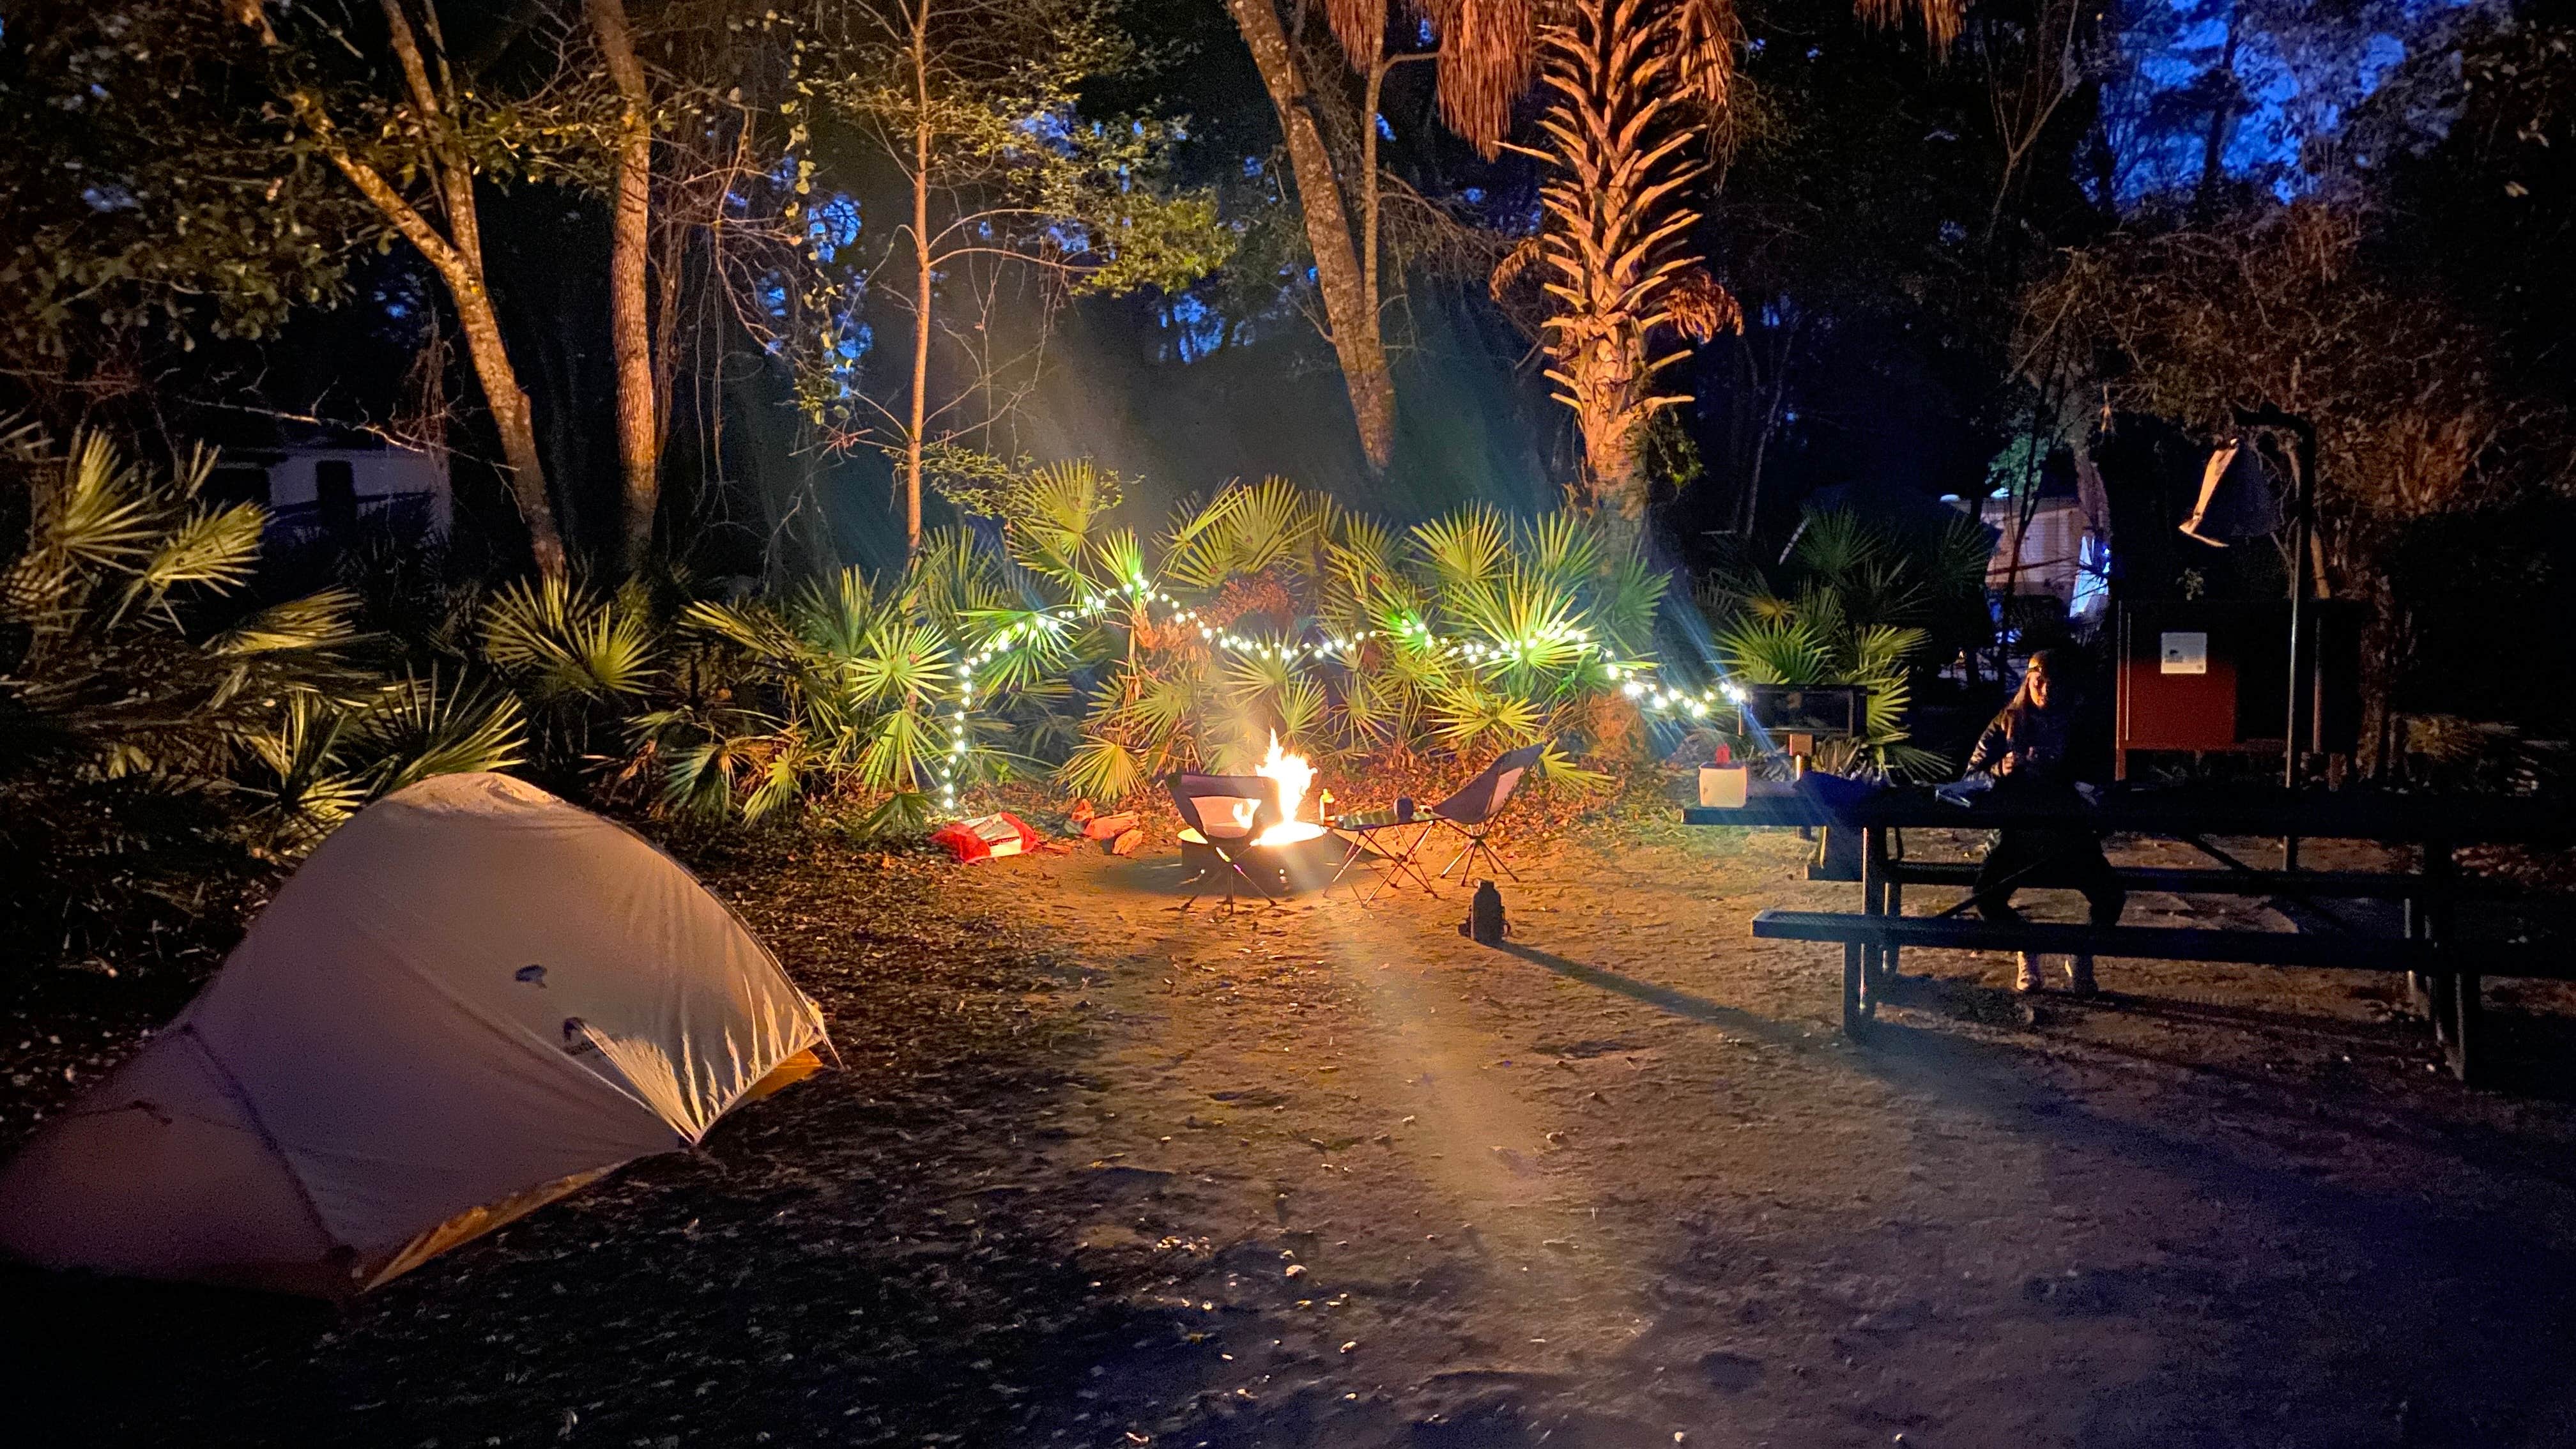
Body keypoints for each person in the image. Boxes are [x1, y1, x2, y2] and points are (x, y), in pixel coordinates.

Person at [1965, 648, 2123, 996]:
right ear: (2029, 680)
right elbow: (1970, 777)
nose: (2047, 691)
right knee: (1986, 898)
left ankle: (2082, 953)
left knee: (2111, 897)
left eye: (2055, 684)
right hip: (2015, 835)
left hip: (2069, 836)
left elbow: (2103, 779)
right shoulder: (2006, 721)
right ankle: (2027, 947)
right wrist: (1999, 769)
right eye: (2040, 682)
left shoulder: (2080, 725)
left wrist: (2075, 781)